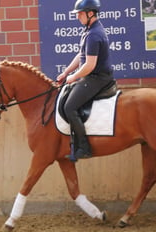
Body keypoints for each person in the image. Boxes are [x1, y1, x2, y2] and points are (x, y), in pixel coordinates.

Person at [57, 0, 113, 161]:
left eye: (80, 14)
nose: (78, 17)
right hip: (92, 76)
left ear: (90, 13)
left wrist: (73, 77)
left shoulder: (94, 34)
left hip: (98, 78)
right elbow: (81, 55)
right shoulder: (89, 31)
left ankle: (84, 147)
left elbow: (89, 65)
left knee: (69, 107)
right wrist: (66, 72)